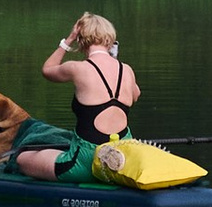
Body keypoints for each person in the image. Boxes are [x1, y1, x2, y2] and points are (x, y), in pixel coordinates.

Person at [28, 12, 138, 172]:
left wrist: (68, 40)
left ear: (81, 39)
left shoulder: (77, 68)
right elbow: (135, 95)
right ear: (110, 40)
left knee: (23, 159)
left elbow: (47, 69)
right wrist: (114, 59)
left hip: (88, 160)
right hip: (123, 157)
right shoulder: (126, 69)